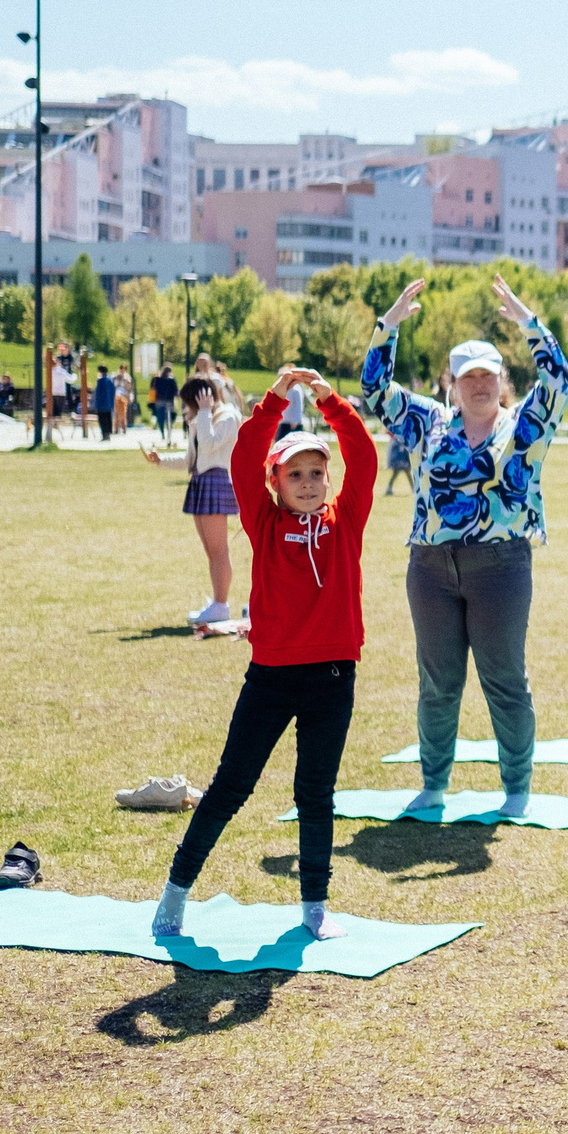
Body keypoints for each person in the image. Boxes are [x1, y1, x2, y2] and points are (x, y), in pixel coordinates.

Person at [151, 368, 376, 943]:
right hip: (272, 676)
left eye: (316, 473)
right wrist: (276, 399)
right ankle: (175, 894)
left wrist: (331, 403)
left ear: (329, 480)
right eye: (294, 474)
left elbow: (365, 458)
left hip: (332, 676)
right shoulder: (263, 521)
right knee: (232, 785)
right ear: (274, 483)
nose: (307, 482)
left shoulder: (344, 521)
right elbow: (246, 453)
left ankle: (314, 909)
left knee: (315, 794)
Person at [362, 277, 568, 820]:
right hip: (430, 568)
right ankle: (433, 785)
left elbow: (558, 378)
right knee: (437, 682)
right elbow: (375, 389)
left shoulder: (526, 426)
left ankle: (517, 789)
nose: (479, 384)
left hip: (501, 568)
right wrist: (389, 327)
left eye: (488, 375)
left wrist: (530, 324)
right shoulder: (428, 422)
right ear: (451, 383)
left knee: (504, 680)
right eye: (468, 375)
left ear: (502, 381)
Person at [141, 375, 244, 624]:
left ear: (201, 398)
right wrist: (162, 460)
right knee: (211, 551)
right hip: (200, 482)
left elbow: (209, 448)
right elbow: (193, 459)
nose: (187, 410)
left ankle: (221, 605)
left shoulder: (227, 416)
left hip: (216, 483)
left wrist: (205, 414)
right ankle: (219, 602)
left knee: (219, 550)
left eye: (189, 403)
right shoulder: (202, 418)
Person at [150, 364, 179, 443]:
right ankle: (167, 433)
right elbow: (176, 390)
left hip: (159, 401)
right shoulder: (171, 380)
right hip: (168, 401)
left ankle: (162, 432)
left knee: (160, 418)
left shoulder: (157, 379)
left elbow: (153, 388)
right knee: (169, 418)